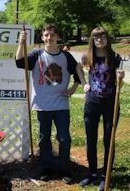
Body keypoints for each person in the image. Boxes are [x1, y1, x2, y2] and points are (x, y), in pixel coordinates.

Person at [16, 23, 80, 184]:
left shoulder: (66, 57)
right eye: (46, 35)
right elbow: (19, 62)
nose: (49, 38)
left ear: (58, 37)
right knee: (44, 137)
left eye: (52, 35)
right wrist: (20, 43)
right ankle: (46, 167)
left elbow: (78, 71)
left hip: (61, 105)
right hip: (42, 105)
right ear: (43, 37)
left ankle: (64, 168)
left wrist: (73, 89)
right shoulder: (37, 54)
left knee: (64, 138)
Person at [76, 26, 125, 191]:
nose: (99, 40)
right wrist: (84, 84)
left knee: (108, 140)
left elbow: (120, 80)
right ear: (92, 40)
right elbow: (77, 68)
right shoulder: (88, 57)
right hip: (92, 103)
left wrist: (121, 78)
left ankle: (106, 175)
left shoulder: (115, 57)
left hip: (111, 104)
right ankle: (92, 173)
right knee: (91, 139)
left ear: (107, 39)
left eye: (102, 36)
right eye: (96, 37)